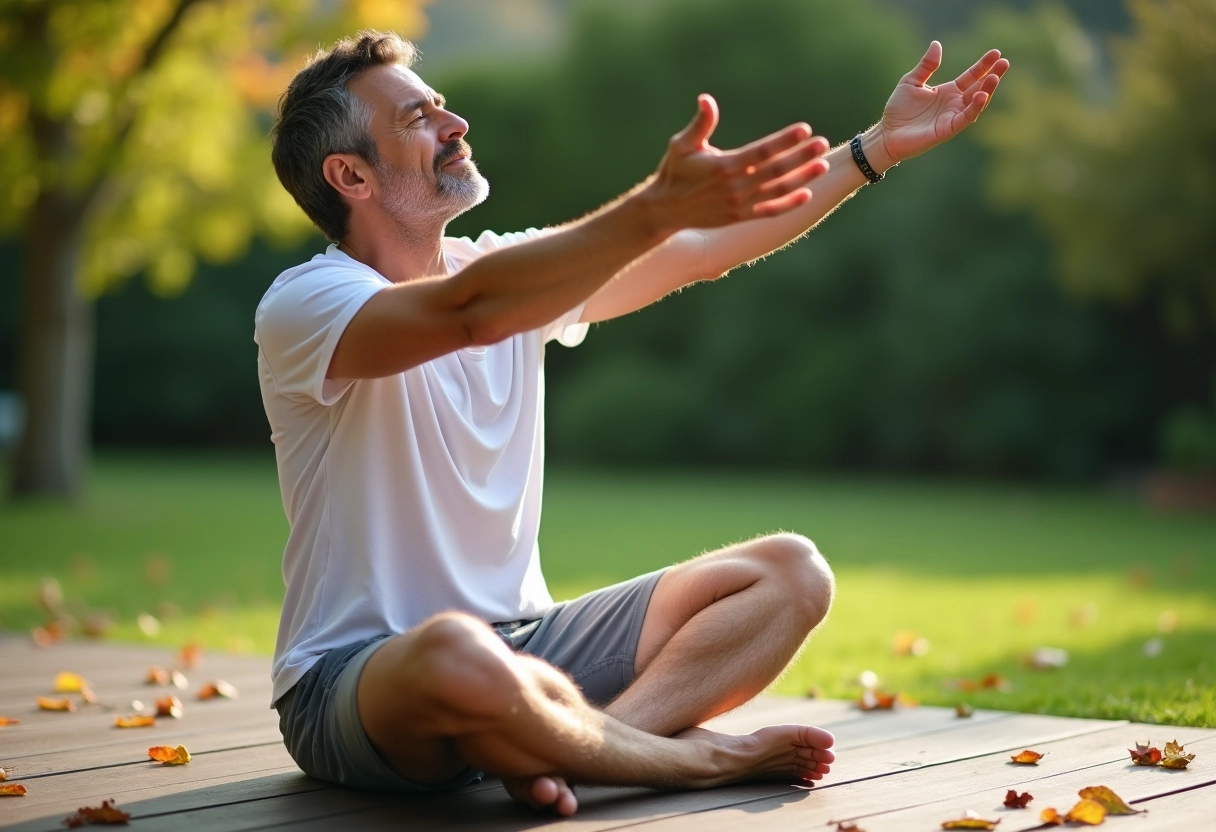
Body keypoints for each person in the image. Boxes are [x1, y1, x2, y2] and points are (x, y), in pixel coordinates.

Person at [257, 30, 1007, 816]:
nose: (456, 125)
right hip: (355, 682)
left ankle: (593, 751)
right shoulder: (308, 304)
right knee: (458, 649)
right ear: (350, 175)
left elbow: (700, 249)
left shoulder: (503, 274)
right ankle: (680, 762)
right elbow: (468, 315)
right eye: (417, 118)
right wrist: (650, 208)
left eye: (442, 105)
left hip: (530, 649)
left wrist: (875, 149)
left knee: (793, 573)